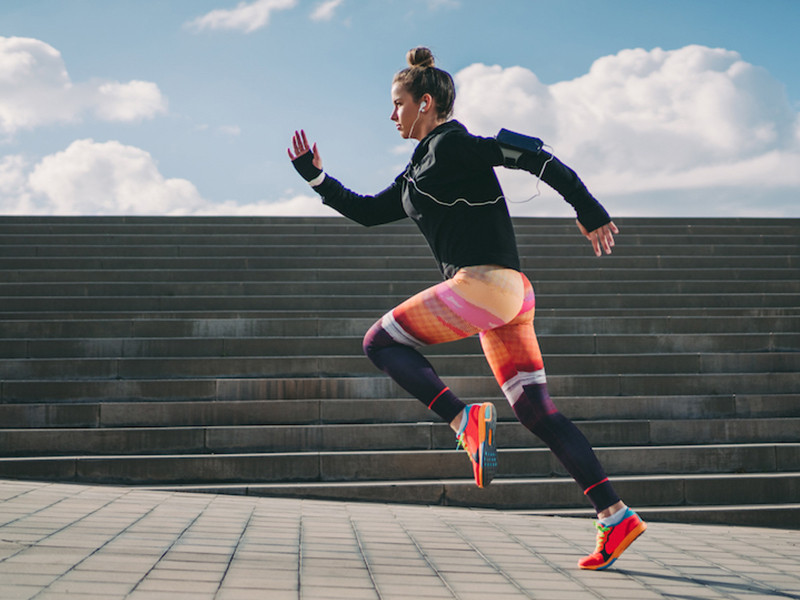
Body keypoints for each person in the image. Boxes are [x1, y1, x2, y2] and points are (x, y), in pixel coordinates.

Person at [288, 46, 646, 570]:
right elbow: (367, 213)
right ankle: (614, 515)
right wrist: (316, 178)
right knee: (535, 411)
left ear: (425, 103)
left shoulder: (456, 145)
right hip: (508, 299)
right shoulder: (417, 169)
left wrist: (589, 209)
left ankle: (464, 421)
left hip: (485, 285)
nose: (391, 115)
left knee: (380, 342)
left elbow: (537, 157)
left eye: (397, 104)